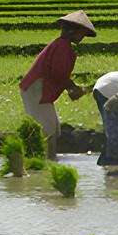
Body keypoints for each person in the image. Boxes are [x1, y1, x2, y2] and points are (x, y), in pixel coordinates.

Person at [19, 10, 96, 158]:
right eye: (82, 33)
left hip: (37, 89)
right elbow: (59, 74)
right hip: (37, 89)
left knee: (53, 129)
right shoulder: (62, 47)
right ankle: (46, 162)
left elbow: (60, 76)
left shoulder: (62, 45)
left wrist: (72, 89)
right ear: (74, 31)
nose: (83, 37)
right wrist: (74, 89)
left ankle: (47, 160)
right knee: (48, 131)